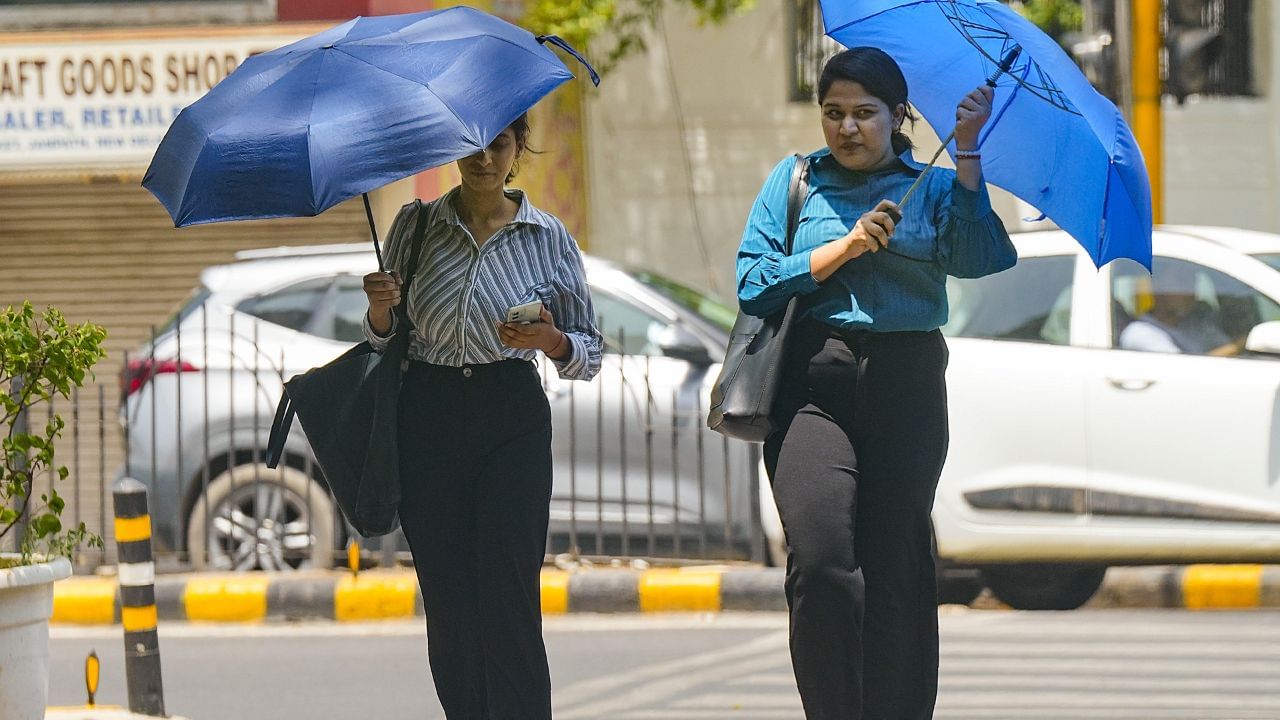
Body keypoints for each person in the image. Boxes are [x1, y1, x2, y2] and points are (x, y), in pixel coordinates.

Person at [736, 47, 1016, 719]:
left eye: (865, 113)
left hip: (907, 382)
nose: (847, 128)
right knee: (823, 562)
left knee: (896, 569)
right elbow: (752, 280)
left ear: (898, 117)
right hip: (813, 383)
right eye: (834, 113)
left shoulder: (940, 187)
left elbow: (984, 258)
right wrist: (844, 248)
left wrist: (969, 156)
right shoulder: (796, 180)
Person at [362, 113, 602, 720]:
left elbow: (590, 351)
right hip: (428, 418)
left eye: (497, 145)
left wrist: (551, 341)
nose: (483, 159)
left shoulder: (548, 236)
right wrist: (380, 311)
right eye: (470, 145)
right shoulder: (415, 227)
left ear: (518, 148)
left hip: (511, 417)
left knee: (509, 595)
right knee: (448, 599)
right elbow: (381, 345)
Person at [1119, 261, 1242, 356]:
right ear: (1158, 285)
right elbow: (1183, 371)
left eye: (1192, 282)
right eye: (1182, 281)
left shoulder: (1196, 326)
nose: (1190, 290)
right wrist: (1237, 347)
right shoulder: (1139, 333)